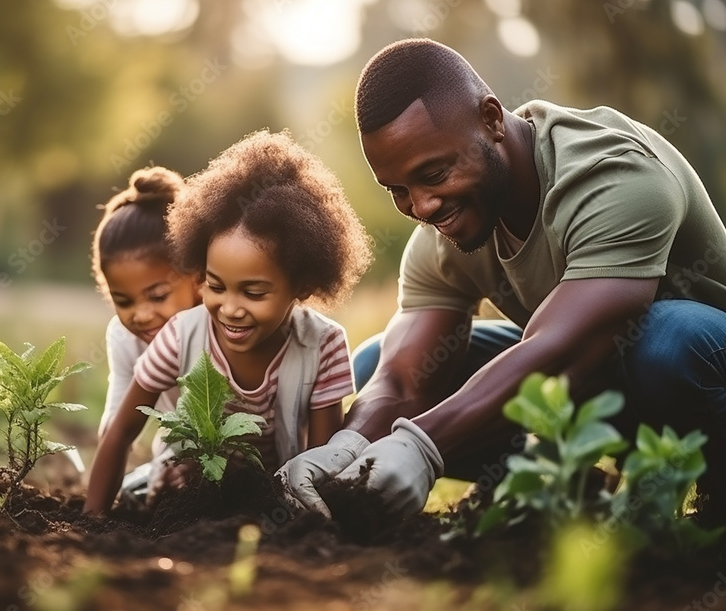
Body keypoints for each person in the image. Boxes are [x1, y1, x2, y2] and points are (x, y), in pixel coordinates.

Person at [278, 38, 726, 522]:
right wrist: (349, 445)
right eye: (399, 191)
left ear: (491, 119)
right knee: (375, 365)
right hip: (600, 386)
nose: (423, 207)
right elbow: (406, 379)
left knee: (664, 340)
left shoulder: (614, 175)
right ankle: (555, 484)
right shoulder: (444, 233)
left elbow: (562, 347)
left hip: (688, 364)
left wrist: (419, 444)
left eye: (435, 173)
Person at [84, 130, 373, 514]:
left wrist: (312, 528)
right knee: (147, 495)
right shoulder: (181, 334)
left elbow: (321, 459)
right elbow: (120, 430)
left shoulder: (324, 345)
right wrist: (93, 518)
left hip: (275, 497)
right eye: (215, 286)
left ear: (301, 285)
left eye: (253, 293)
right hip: (192, 491)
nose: (230, 308)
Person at [91, 166, 203, 498]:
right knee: (142, 492)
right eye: (122, 300)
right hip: (181, 454)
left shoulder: (224, 328)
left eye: (157, 296)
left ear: (196, 277)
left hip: (254, 457)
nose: (140, 315)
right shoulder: (125, 338)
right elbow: (117, 427)